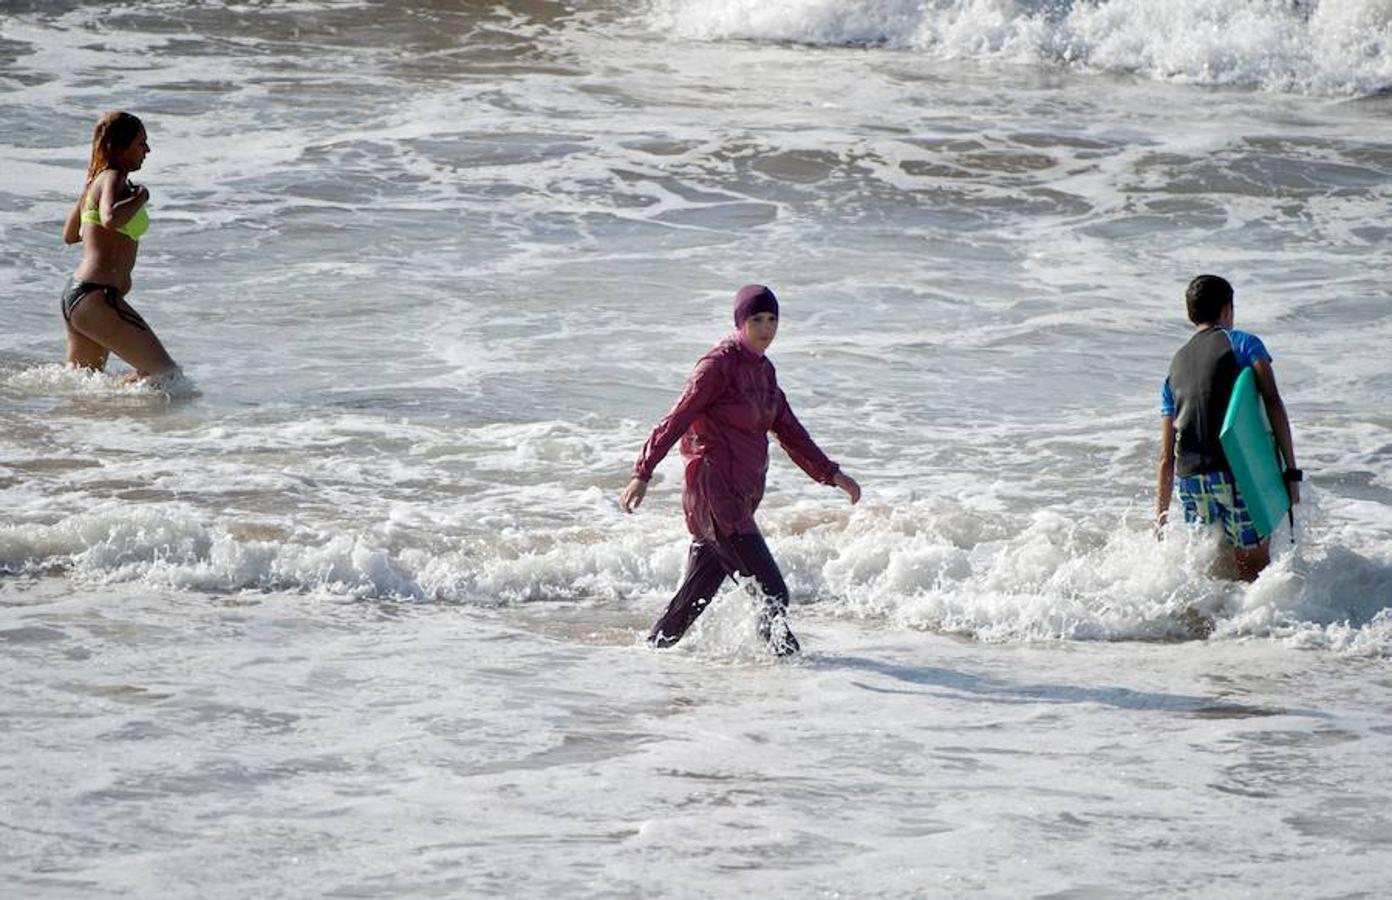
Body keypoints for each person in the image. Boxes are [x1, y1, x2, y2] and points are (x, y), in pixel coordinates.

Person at [620, 284, 861, 655]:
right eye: (756, 319)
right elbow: (676, 419)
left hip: (742, 497)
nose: (766, 328)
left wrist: (831, 473)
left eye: (772, 319)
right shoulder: (716, 368)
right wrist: (643, 472)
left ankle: (647, 657)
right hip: (716, 496)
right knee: (772, 592)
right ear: (740, 322)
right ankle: (790, 673)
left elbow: (789, 430)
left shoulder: (763, 372)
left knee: (693, 600)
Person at [1156, 274, 1300, 582]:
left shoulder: (1173, 367)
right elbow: (1272, 402)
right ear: (1227, 309)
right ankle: (1250, 629)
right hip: (1236, 470)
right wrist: (1291, 471)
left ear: (1190, 313)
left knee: (1208, 568)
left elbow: (1166, 456)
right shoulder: (1244, 343)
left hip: (1191, 480)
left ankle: (1205, 625)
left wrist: (1161, 518)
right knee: (1254, 572)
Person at [60, 111, 179, 382]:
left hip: (81, 298)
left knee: (85, 390)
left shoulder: (94, 180)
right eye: (141, 143)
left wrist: (100, 236)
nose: (147, 150)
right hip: (97, 298)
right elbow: (110, 218)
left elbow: (70, 235)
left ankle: (113, 422)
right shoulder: (113, 177)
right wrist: (142, 197)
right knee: (167, 375)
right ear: (119, 147)